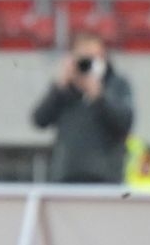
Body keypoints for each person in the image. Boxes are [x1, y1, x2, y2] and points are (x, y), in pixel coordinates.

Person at [30, 32, 134, 184]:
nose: (87, 64)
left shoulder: (117, 84)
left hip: (106, 178)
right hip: (66, 176)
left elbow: (124, 123)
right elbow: (39, 120)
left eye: (93, 58)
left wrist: (99, 97)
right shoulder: (65, 89)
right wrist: (59, 88)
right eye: (83, 58)